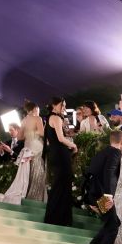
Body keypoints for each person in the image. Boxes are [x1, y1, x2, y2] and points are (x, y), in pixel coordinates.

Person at [0, 101, 46, 205]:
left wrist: (28, 132)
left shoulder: (24, 120)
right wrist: (35, 131)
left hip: (27, 147)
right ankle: (36, 199)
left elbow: (20, 137)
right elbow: (42, 133)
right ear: (35, 109)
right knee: (38, 172)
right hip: (37, 146)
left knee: (28, 172)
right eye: (38, 109)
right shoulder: (37, 118)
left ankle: (28, 197)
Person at [81, 131, 122, 244]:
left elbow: (89, 173)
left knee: (114, 222)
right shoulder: (115, 153)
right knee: (112, 226)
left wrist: (89, 199)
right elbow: (109, 173)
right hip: (102, 196)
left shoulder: (102, 152)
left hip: (94, 193)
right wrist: (108, 195)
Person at [43, 97, 77, 226]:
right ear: (54, 105)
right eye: (62, 105)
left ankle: (56, 218)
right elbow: (61, 138)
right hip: (60, 154)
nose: (64, 107)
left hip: (55, 154)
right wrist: (73, 145)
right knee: (62, 185)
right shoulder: (56, 118)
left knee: (59, 185)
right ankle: (59, 219)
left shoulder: (49, 118)